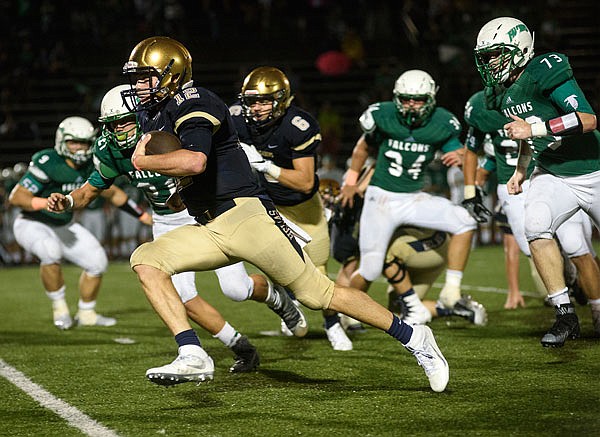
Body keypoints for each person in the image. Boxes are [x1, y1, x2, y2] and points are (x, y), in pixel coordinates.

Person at [50, 36, 449, 391]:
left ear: (170, 75)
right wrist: (177, 193)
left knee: (318, 294)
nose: (137, 87)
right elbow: (187, 174)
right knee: (146, 260)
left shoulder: (196, 100)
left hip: (243, 216)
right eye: (134, 78)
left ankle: (415, 337)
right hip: (208, 222)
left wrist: (147, 159)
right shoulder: (153, 114)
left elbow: (194, 162)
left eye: (143, 78)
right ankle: (193, 353)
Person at [49, 84, 310, 373]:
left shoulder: (168, 127)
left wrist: (183, 191)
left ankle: (277, 299)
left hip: (203, 212)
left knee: (236, 289)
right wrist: (69, 201)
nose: (118, 130)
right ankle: (240, 347)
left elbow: (200, 161)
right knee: (181, 297)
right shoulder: (111, 148)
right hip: (164, 220)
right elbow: (93, 188)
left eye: (124, 121)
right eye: (112, 124)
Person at [474, 16, 600, 346]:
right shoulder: (503, 92)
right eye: (486, 56)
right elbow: (524, 133)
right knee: (535, 225)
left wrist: (535, 130)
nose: (490, 63)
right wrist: (519, 170)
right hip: (553, 172)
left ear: (519, 49)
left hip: (592, 169)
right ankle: (565, 315)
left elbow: (587, 119)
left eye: (496, 54)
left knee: (578, 247)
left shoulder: (544, 68)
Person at [339, 69, 482, 314]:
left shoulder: (442, 123)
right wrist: (351, 181)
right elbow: (362, 149)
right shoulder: (382, 115)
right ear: (396, 97)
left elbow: (462, 154)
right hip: (381, 198)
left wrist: (460, 156)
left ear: (431, 99)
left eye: (418, 99)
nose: (412, 105)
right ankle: (341, 314)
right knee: (371, 268)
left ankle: (451, 290)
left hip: (412, 197)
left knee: (465, 221)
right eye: (406, 99)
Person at [229, 66, 352, 351]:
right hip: (268, 204)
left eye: (264, 101)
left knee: (318, 270)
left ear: (282, 100)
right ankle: (290, 307)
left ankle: (332, 323)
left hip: (303, 206)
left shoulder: (298, 125)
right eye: (252, 100)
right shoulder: (236, 117)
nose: (256, 108)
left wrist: (265, 166)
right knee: (278, 264)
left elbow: (306, 182)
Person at [8, 116, 149, 330]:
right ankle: (60, 309)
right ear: (61, 141)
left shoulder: (91, 163)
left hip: (63, 224)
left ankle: (87, 313)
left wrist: (142, 216)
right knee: (50, 250)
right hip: (32, 222)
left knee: (97, 262)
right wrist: (46, 202)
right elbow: (17, 198)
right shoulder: (48, 161)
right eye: (74, 142)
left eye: (83, 142)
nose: (79, 147)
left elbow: (112, 193)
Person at [463, 89, 595, 311]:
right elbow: (473, 151)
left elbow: (580, 121)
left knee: (578, 244)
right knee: (530, 244)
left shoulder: (535, 95)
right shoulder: (480, 108)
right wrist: (471, 190)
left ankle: (591, 298)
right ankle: (570, 280)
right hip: (515, 182)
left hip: (555, 174)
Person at [332, 163, 487, 326]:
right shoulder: (388, 190)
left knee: (379, 256)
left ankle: (354, 313)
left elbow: (354, 266)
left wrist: (347, 307)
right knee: (398, 311)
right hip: (431, 249)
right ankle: (452, 309)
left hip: (427, 246)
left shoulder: (382, 198)